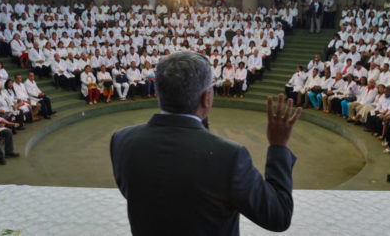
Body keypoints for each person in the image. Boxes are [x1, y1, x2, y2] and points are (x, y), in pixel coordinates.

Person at [111, 52, 301, 235]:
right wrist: (278, 145)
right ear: (206, 97)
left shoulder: (121, 141)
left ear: (159, 93)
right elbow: (278, 216)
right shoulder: (229, 156)